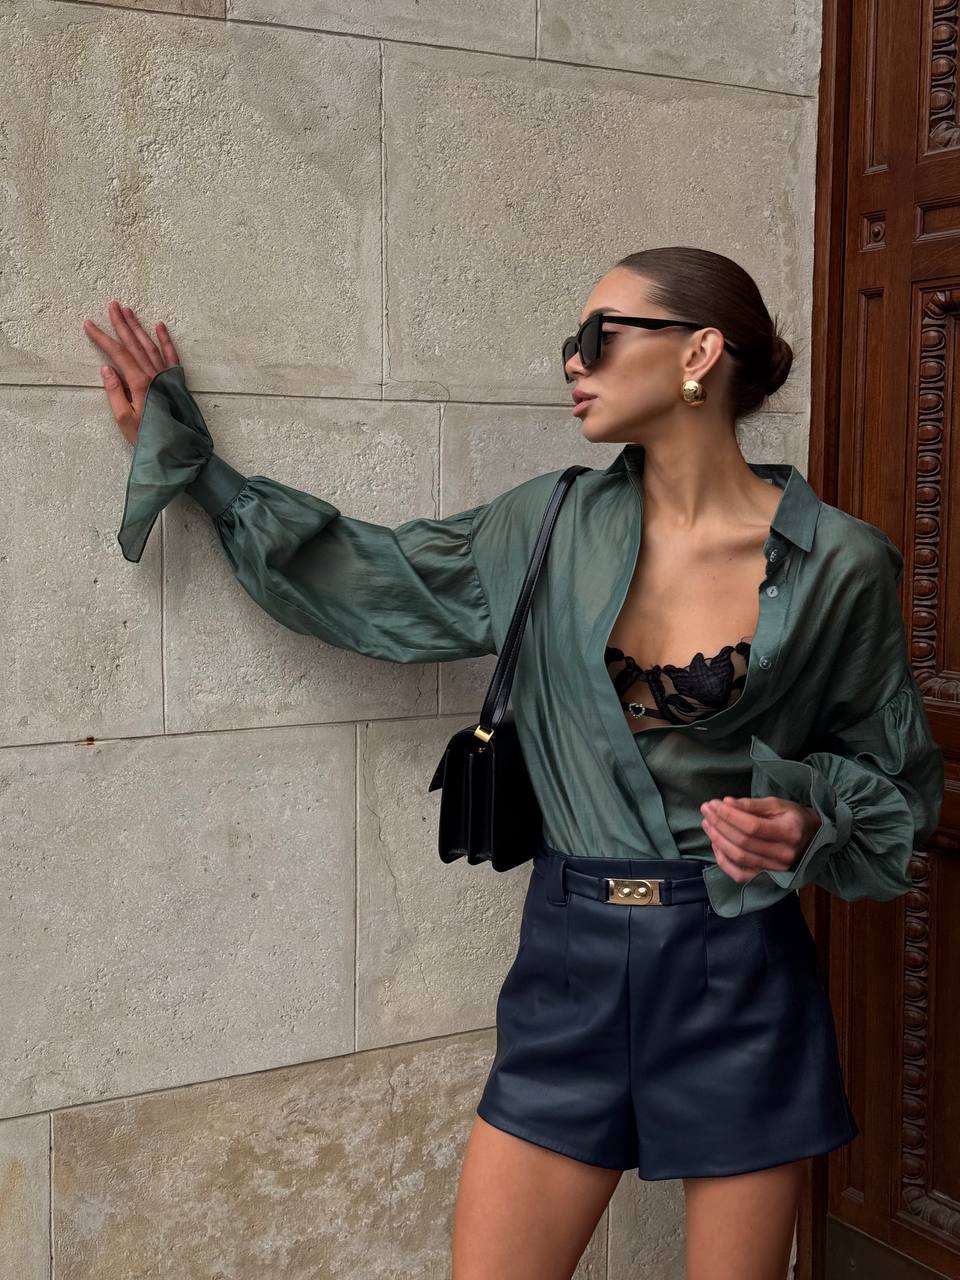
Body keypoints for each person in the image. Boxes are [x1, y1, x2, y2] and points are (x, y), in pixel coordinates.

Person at [83, 246, 943, 1280]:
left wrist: (804, 819)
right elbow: (368, 575)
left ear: (698, 353)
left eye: (597, 337)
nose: (572, 363)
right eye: (567, 344)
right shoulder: (545, 522)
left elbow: (898, 784)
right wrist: (197, 465)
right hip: (570, 962)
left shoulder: (841, 561)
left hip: (741, 972)